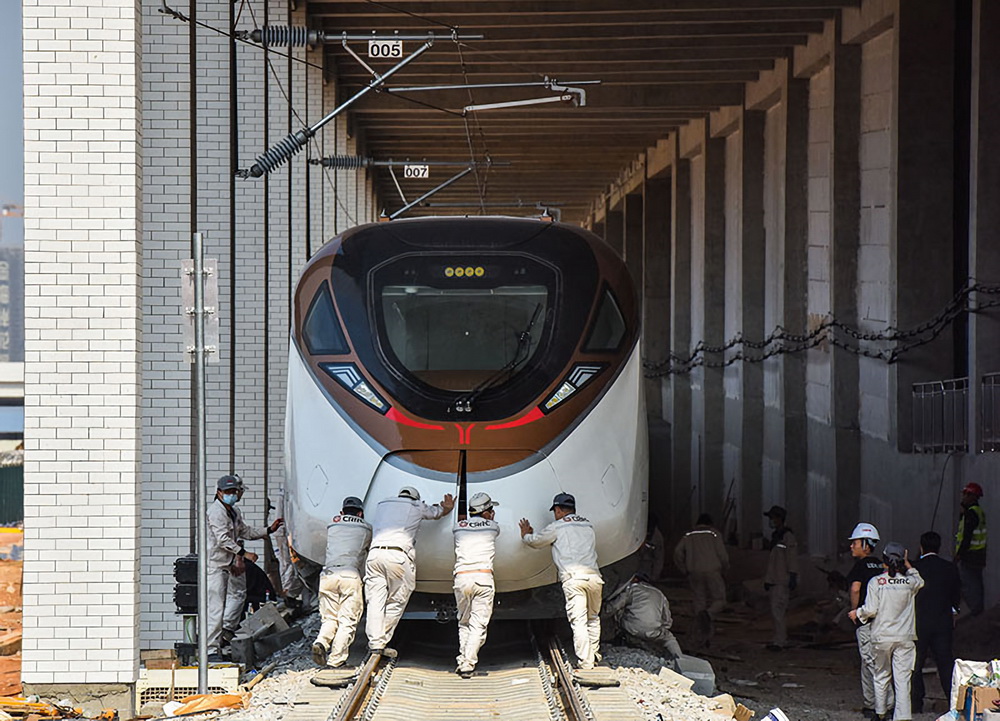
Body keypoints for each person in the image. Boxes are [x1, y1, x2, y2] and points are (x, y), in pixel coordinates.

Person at [364, 486, 455, 655]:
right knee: (397, 599)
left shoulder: (382, 505)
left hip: (374, 554)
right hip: (397, 556)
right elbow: (436, 513)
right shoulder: (416, 505)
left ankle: (374, 641)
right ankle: (380, 642)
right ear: (415, 497)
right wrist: (446, 508)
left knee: (375, 600)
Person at [520, 492, 604, 669]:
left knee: (578, 621)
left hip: (574, 579)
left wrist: (526, 535)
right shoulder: (587, 524)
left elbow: (536, 542)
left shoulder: (557, 526)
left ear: (558, 510)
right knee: (593, 617)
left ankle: (586, 662)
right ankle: (594, 653)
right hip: (595, 577)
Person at [206, 474, 283, 661]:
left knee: (238, 595)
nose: (233, 495)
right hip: (216, 564)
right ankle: (210, 649)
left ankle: (225, 633)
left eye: (235, 491)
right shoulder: (216, 513)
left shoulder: (233, 511)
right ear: (219, 492)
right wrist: (244, 554)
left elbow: (245, 531)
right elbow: (222, 539)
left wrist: (268, 530)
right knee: (216, 608)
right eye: (229, 492)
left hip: (229, 562)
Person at [849, 542, 924, 721]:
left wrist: (856, 613)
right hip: (905, 637)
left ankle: (880, 713)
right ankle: (903, 717)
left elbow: (871, 610)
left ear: (884, 560)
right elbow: (920, 580)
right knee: (903, 679)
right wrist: (907, 564)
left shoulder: (876, 582)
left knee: (881, 676)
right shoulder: (909, 582)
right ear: (901, 561)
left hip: (882, 636)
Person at [312, 496, 372, 668]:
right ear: (360, 513)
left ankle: (321, 642)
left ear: (342, 512)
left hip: (328, 574)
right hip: (349, 575)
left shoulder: (332, 527)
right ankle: (336, 660)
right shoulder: (366, 529)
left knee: (329, 618)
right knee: (347, 620)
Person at [911, 531, 961, 715]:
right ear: (939, 547)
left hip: (919, 623)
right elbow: (956, 594)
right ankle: (953, 702)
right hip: (942, 623)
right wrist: (953, 610)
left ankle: (916, 704)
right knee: (945, 663)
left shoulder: (915, 567)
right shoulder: (949, 568)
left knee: (915, 665)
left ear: (921, 546)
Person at [452, 492, 500, 678]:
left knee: (464, 622)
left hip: (462, 578)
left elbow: (466, 525)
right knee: (478, 624)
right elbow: (492, 527)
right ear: (487, 512)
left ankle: (463, 657)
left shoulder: (458, 527)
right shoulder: (493, 526)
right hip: (483, 578)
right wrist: (489, 519)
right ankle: (468, 663)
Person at [846, 523, 890, 718]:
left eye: (854, 542)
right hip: (883, 621)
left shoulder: (859, 566)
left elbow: (855, 588)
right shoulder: (882, 565)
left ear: (865, 544)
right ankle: (871, 703)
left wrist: (855, 611)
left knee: (871, 664)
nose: (851, 546)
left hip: (866, 621)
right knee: (873, 664)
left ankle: (882, 707)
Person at [673, 513, 729, 646]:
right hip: (712, 571)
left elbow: (677, 552)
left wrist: (684, 568)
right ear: (710, 523)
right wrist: (725, 568)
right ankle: (709, 614)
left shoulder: (689, 535)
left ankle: (701, 637)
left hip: (694, 572)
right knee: (720, 600)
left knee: (699, 601)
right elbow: (722, 554)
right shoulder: (714, 534)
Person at [604, 573, 682, 660]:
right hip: (653, 631)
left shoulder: (632, 589)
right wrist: (659, 629)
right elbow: (667, 620)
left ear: (636, 580)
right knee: (669, 639)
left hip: (630, 628)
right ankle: (680, 659)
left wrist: (601, 613)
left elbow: (614, 607)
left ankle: (622, 641)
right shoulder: (660, 594)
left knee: (621, 612)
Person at [763, 505, 798, 650]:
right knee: (775, 611)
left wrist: (793, 575)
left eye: (772, 518)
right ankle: (777, 639)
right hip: (775, 579)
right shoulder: (777, 537)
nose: (770, 521)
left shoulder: (787, 537)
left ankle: (780, 641)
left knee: (778, 611)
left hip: (781, 580)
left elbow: (791, 558)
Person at [954, 482, 986, 616]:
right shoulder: (977, 512)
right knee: (975, 583)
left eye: (967, 495)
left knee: (969, 584)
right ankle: (977, 610)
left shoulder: (971, 514)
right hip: (978, 555)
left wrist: (959, 554)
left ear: (973, 497)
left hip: (970, 556)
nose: (964, 497)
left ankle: (976, 611)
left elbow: (966, 536)